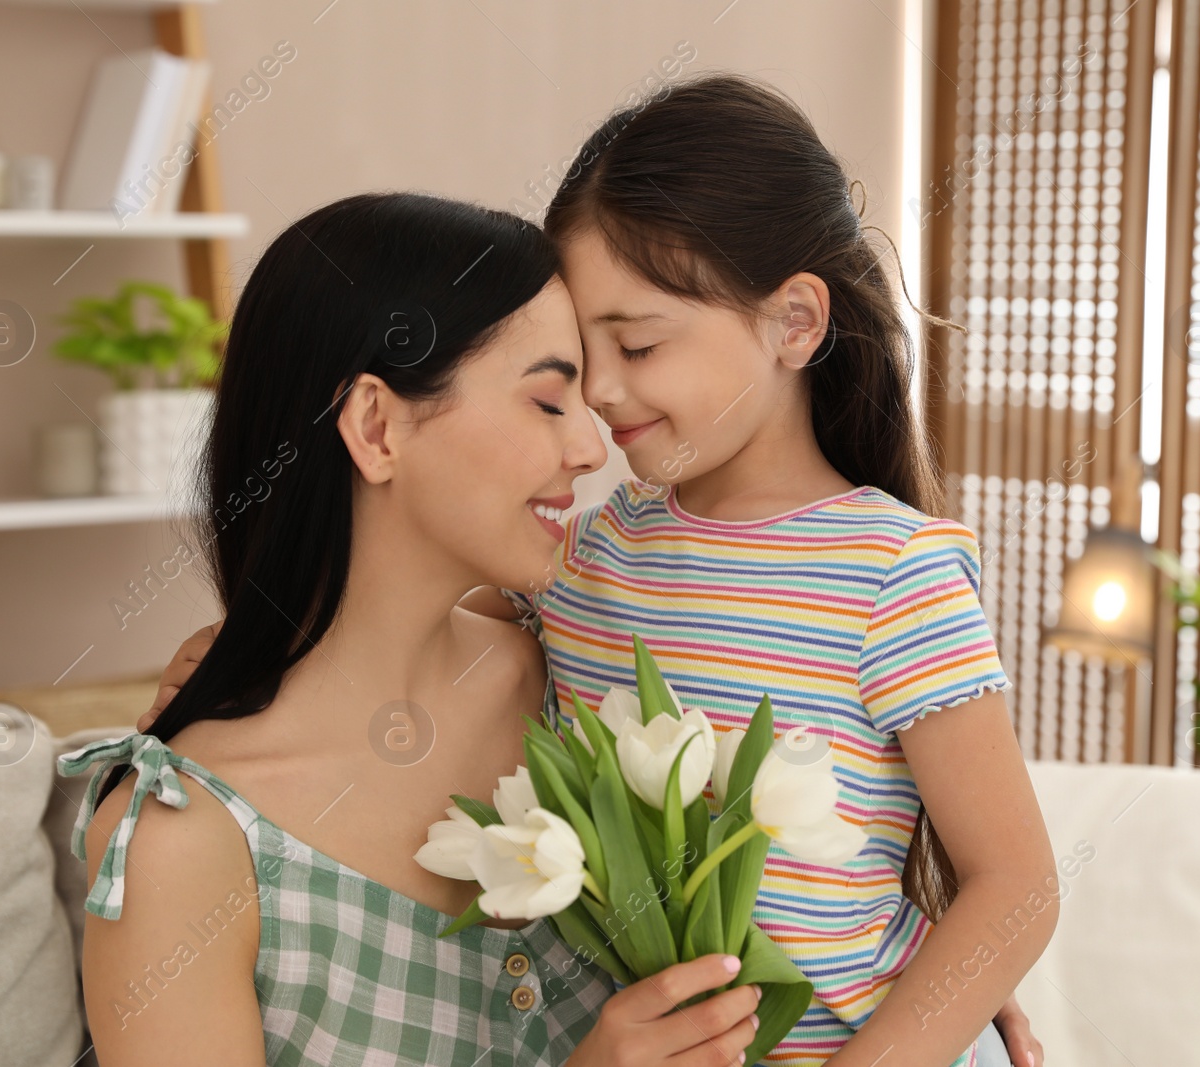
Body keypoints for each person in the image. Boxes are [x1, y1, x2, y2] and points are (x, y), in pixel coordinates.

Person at [143, 74, 1056, 1067]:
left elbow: (1013, 884)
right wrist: (244, 660)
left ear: (795, 322)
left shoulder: (893, 572)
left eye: (637, 343)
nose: (602, 400)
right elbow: (384, 603)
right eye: (578, 362)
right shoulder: (591, 555)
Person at [62, 192, 762, 1067]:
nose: (592, 447)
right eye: (549, 401)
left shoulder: (574, 682)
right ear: (376, 426)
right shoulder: (181, 843)